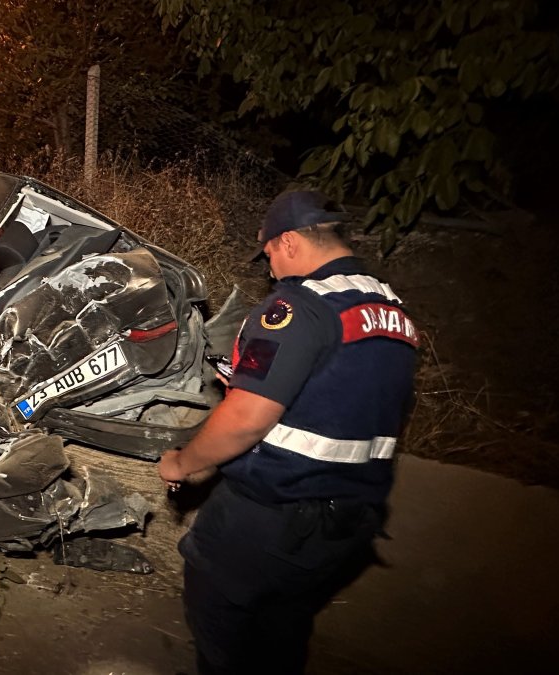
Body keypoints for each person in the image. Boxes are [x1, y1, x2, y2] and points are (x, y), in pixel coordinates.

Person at [158, 190, 419, 674]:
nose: (270, 269)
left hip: (272, 517)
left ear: (290, 241)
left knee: (220, 622)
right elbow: (344, 397)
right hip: (346, 523)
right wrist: (260, 384)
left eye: (270, 254)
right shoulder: (392, 311)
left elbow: (246, 420)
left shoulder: (297, 307)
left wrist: (181, 462)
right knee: (282, 628)